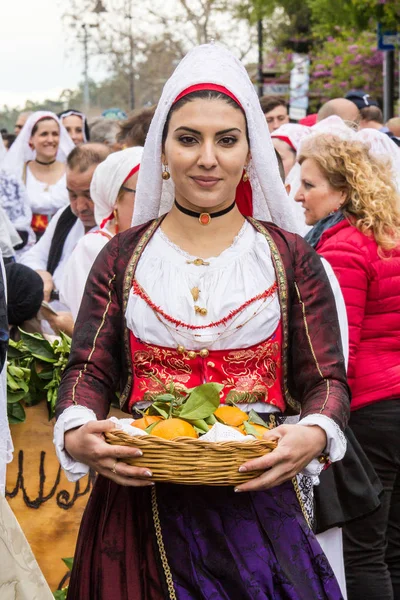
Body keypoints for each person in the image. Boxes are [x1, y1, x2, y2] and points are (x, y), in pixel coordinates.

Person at [54, 43, 350, 599]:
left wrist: (314, 431)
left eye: (226, 140)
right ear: (161, 153)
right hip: (138, 501)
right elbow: (89, 368)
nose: (207, 158)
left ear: (249, 153)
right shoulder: (120, 256)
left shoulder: (289, 257)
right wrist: (77, 429)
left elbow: (326, 379)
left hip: (254, 502)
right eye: (188, 139)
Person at [296, 134, 400, 600]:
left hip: (370, 411)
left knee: (361, 552)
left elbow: (340, 349)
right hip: (394, 403)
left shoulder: (341, 248)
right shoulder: (386, 235)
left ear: (342, 191)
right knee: (391, 547)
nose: (298, 194)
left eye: (309, 184)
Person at [19, 143, 110, 335]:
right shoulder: (66, 216)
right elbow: (34, 255)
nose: (80, 206)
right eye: (72, 194)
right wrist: (41, 275)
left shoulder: (117, 230)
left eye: (89, 195)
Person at [61, 146, 143, 320]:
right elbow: (90, 326)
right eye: (143, 192)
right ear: (115, 198)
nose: (154, 199)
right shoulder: (94, 248)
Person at [2, 111, 75, 239]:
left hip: (66, 240)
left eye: (55, 134)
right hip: (28, 245)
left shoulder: (71, 171)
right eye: (44, 134)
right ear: (31, 138)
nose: (50, 140)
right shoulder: (19, 174)